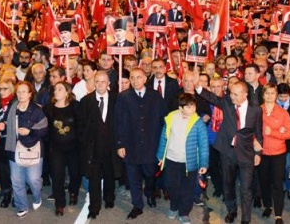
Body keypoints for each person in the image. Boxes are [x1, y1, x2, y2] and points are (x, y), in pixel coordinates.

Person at [195, 80, 263, 224]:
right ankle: (231, 210)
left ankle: (246, 219)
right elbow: (212, 97)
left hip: (246, 153)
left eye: (236, 94)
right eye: (231, 93)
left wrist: (258, 153)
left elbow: (258, 132)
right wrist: (198, 86)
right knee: (228, 184)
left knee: (246, 188)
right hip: (227, 151)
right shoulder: (227, 103)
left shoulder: (256, 110)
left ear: (245, 94)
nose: (232, 97)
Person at [115, 68, 167, 219]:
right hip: (131, 144)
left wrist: (163, 142)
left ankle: (150, 193)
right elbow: (118, 122)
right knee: (133, 177)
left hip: (151, 144)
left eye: (138, 77)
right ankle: (137, 205)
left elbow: (164, 119)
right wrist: (119, 144)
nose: (135, 80)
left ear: (145, 79)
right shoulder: (123, 97)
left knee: (151, 173)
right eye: (132, 78)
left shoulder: (155, 96)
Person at [156, 93, 209, 224]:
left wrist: (203, 164)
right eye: (188, 106)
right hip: (171, 159)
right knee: (171, 185)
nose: (192, 108)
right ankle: (174, 206)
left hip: (189, 163)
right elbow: (164, 138)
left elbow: (203, 145)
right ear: (180, 108)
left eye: (193, 105)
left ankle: (184, 212)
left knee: (188, 189)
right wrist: (160, 156)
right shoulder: (171, 118)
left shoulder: (198, 123)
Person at [2, 81, 49, 218]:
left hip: (33, 148)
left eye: (24, 92)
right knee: (16, 180)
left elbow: (45, 130)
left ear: (30, 94)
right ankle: (21, 205)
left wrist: (30, 132)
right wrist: (2, 125)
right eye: (18, 92)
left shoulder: (37, 110)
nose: (20, 94)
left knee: (33, 179)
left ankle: (37, 197)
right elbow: (5, 122)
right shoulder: (12, 107)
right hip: (14, 148)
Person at [78, 71, 120, 219]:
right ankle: (94, 207)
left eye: (103, 82)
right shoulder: (86, 101)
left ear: (108, 83)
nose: (100, 85)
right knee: (94, 178)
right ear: (93, 83)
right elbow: (81, 125)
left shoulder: (116, 99)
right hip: (93, 147)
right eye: (97, 82)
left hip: (111, 146)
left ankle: (109, 199)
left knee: (110, 174)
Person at [258, 84, 290, 224]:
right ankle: (267, 205)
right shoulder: (257, 111)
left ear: (276, 95)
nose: (269, 96)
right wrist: (280, 131)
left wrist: (272, 133)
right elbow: (253, 131)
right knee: (264, 182)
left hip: (278, 153)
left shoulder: (283, 113)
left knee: (278, 184)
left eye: (272, 93)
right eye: (267, 93)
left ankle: (278, 214)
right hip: (262, 153)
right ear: (263, 95)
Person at [43, 81, 80, 216]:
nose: (56, 91)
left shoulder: (75, 106)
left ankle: (73, 192)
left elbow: (80, 125)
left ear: (67, 92)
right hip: (56, 148)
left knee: (75, 173)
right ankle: (59, 204)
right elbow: (45, 128)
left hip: (74, 147)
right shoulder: (48, 108)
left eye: (60, 89)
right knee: (57, 176)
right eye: (55, 89)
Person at [0, 74, 16, 208]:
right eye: (0, 89)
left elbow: (18, 121)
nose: (2, 91)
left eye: (5, 89)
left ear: (11, 90)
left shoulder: (15, 103)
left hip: (12, 141)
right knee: (3, 169)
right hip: (1, 141)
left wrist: (6, 126)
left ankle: (15, 194)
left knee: (14, 170)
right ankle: (6, 192)